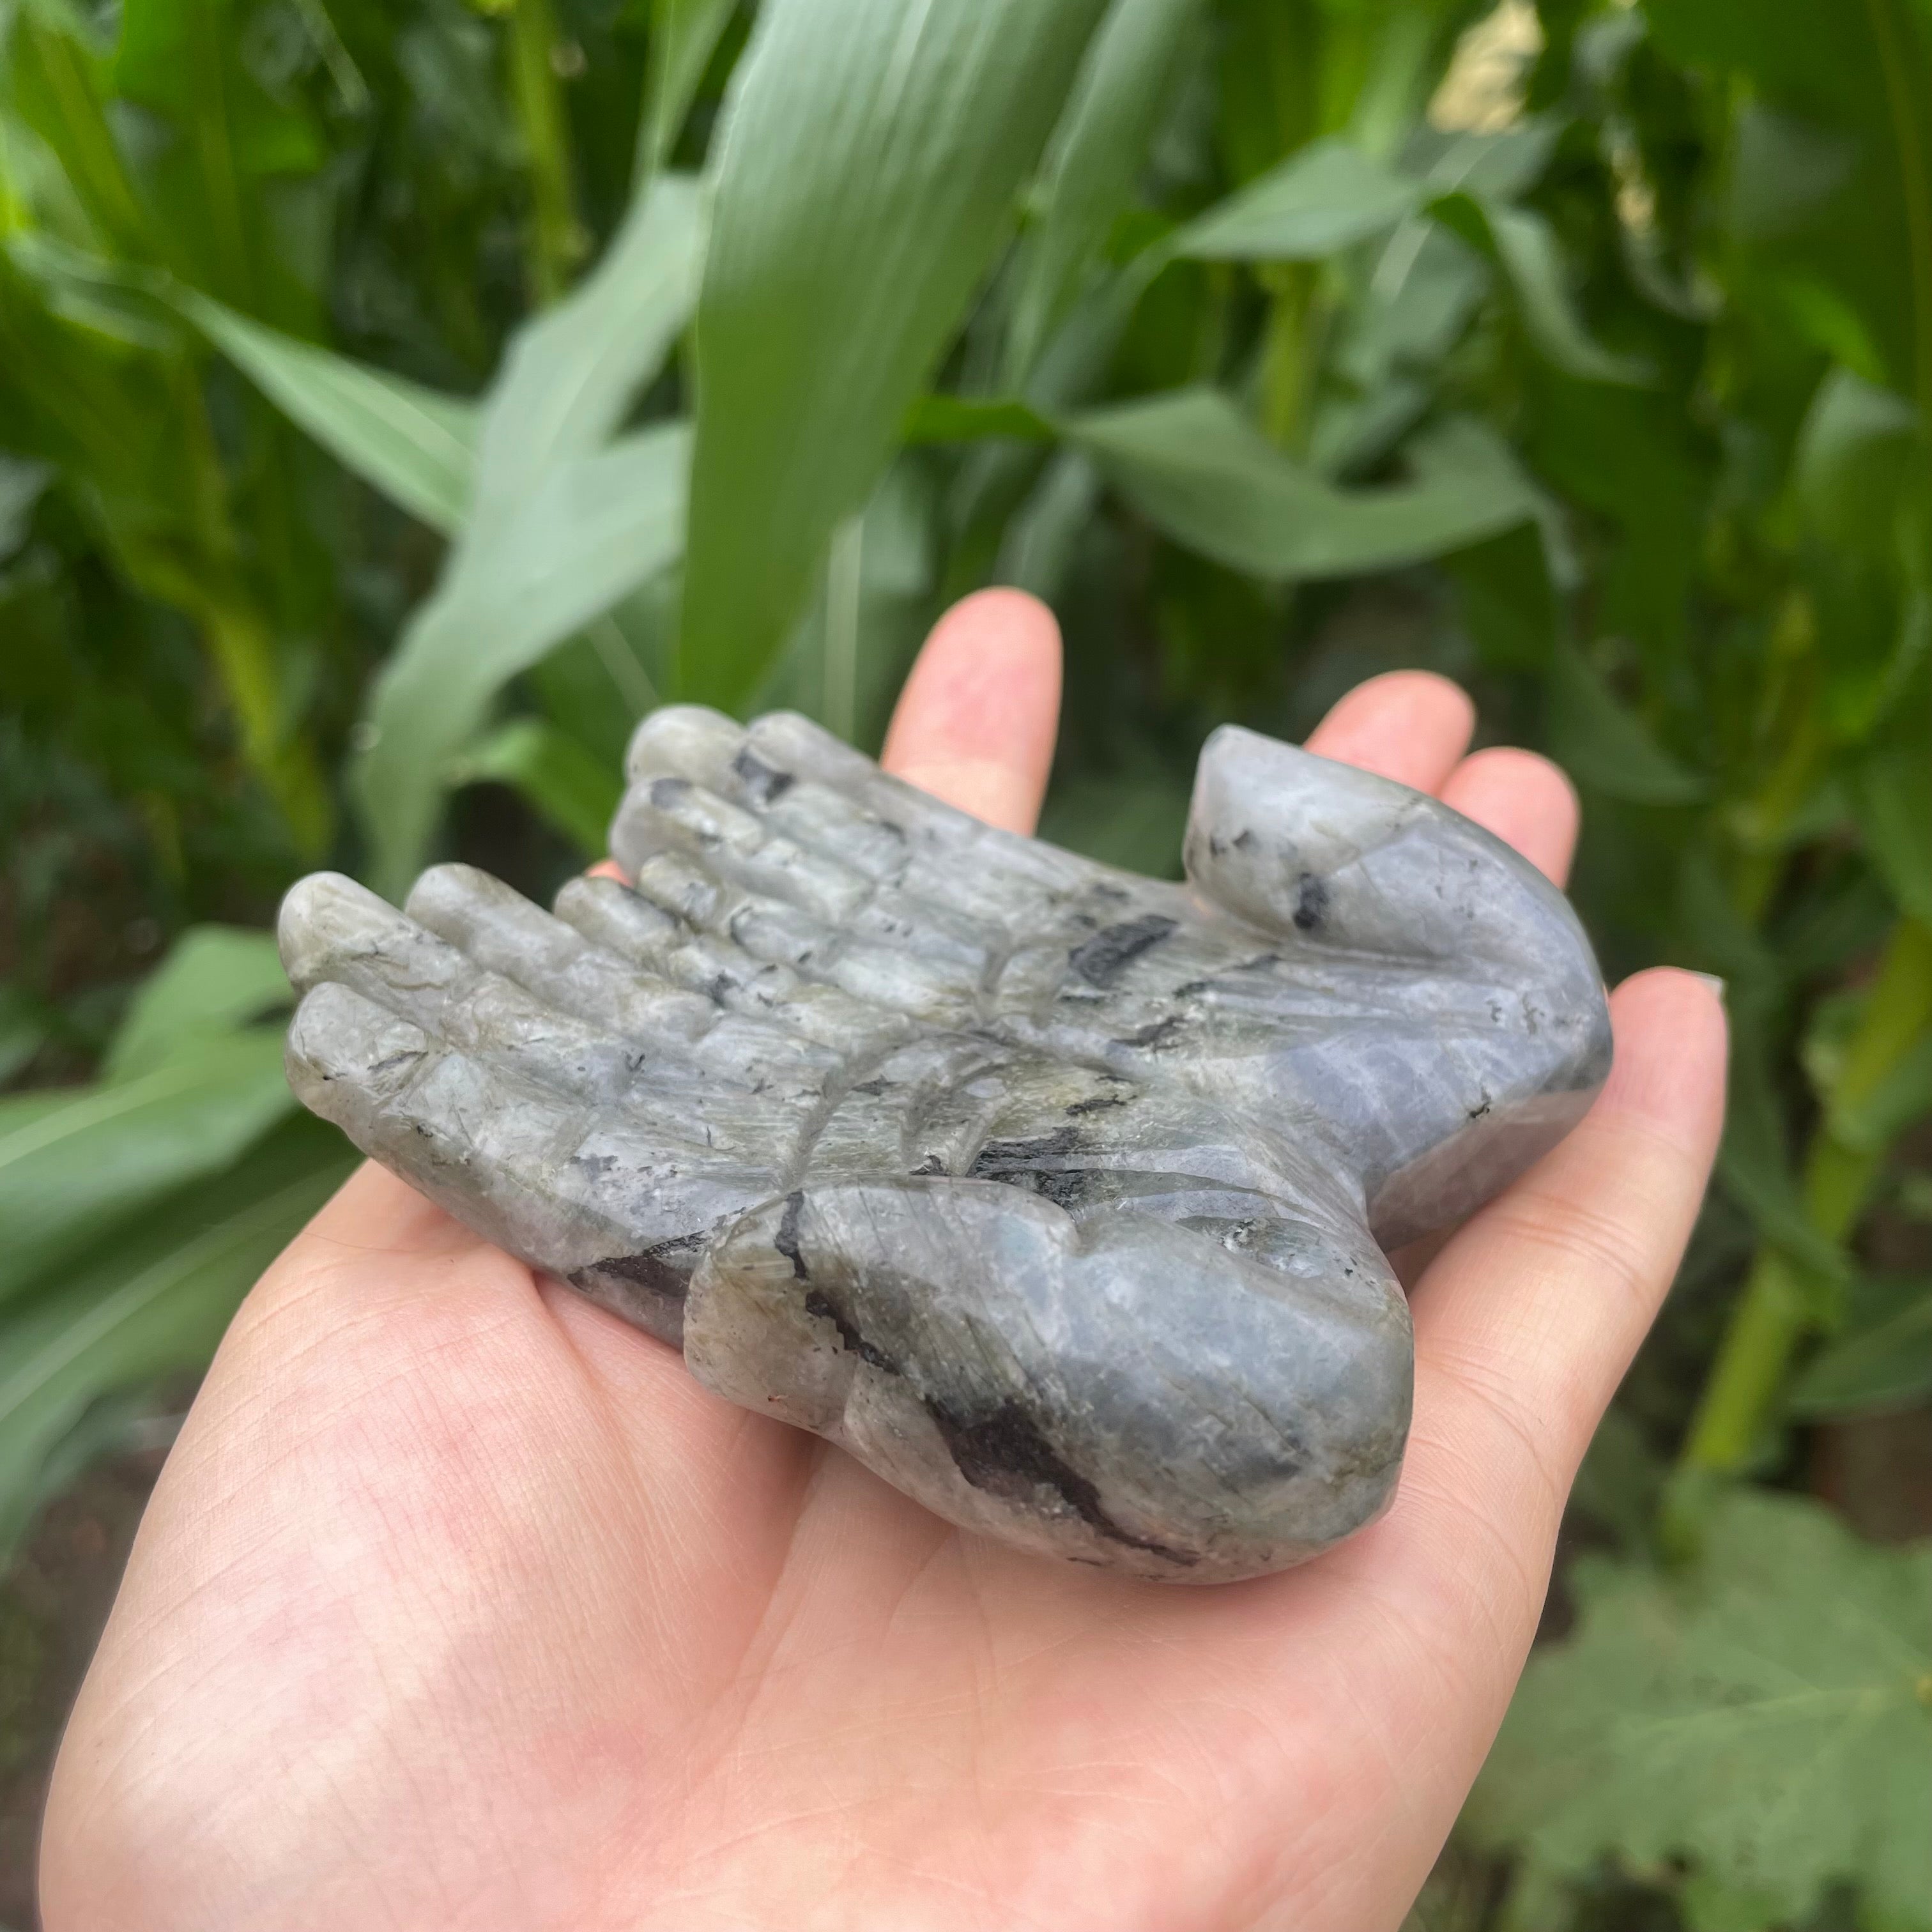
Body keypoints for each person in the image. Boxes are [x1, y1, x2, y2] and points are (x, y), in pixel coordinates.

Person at [38, 590, 1726, 1932]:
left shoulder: (1385, 1174)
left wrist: (865, 1267)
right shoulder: (1485, 1029)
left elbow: (1224, 1400)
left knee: (1296, 1405)